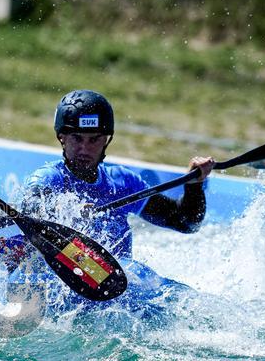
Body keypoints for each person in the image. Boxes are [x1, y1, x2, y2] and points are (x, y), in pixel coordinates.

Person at [22, 90, 215, 259]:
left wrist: (194, 185)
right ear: (61, 138)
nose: (84, 149)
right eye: (77, 138)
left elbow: (186, 223)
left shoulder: (123, 182)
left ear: (106, 140)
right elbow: (30, 218)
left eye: (94, 140)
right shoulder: (47, 179)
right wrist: (69, 213)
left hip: (118, 288)